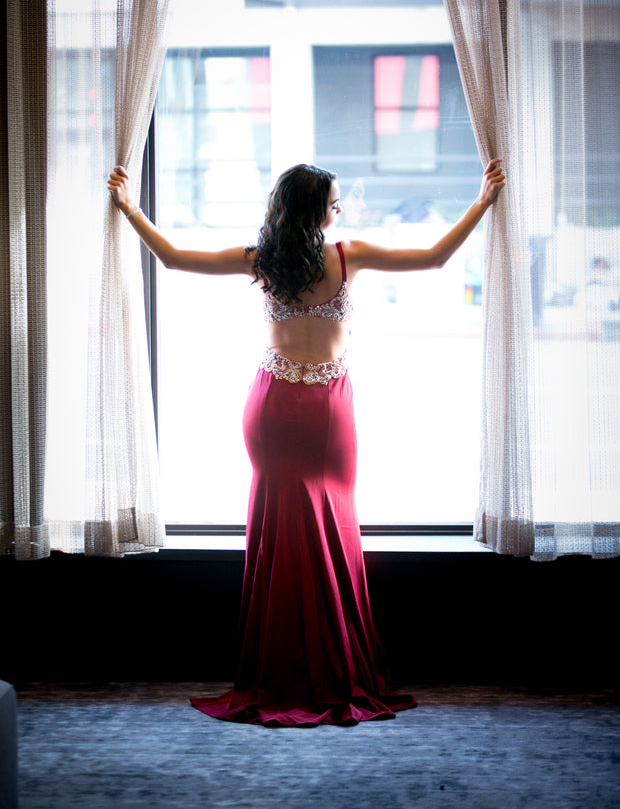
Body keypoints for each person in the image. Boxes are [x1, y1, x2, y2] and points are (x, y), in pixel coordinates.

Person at [108, 158, 505, 727]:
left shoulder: (262, 259)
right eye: (334, 202)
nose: (340, 210)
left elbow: (171, 258)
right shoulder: (347, 255)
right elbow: (437, 257)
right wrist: (482, 202)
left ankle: (290, 666)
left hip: (274, 403)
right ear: (317, 209)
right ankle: (328, 665)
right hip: (321, 406)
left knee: (286, 526)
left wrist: (130, 209)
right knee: (330, 524)